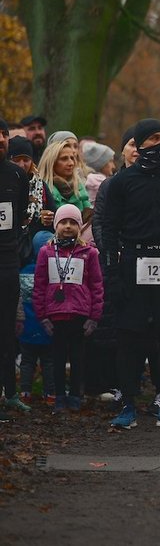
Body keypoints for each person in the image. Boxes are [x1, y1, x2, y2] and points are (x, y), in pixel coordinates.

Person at [102, 118, 160, 429]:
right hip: (132, 263)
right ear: (139, 144)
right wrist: (114, 275)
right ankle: (128, 404)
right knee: (130, 337)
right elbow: (110, 231)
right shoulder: (120, 183)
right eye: (154, 139)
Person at [33, 204, 104, 412]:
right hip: (55, 317)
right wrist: (43, 317)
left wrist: (94, 317)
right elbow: (39, 285)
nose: (67, 226)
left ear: (79, 226)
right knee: (57, 358)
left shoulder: (89, 253)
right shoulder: (46, 252)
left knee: (77, 358)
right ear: (56, 225)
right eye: (63, 222)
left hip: (80, 316)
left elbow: (97, 286)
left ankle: (75, 395)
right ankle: (59, 397)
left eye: (73, 222)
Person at [1, 118, 31, 419]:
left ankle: (10, 393)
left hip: (8, 262)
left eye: (3, 134)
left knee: (7, 330)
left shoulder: (16, 176)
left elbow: (20, 213)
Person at [8, 136, 55, 256]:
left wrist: (46, 219)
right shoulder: (4, 183)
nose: (22, 165)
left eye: (26, 160)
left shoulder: (40, 185)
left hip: (33, 243)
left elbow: (54, 216)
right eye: (16, 160)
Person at [37, 139, 92, 224]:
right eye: (64, 159)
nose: (71, 163)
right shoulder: (40, 189)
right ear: (52, 162)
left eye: (72, 158)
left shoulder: (80, 187)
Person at [82, 142, 115, 207]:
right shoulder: (97, 181)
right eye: (110, 161)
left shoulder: (89, 178)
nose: (114, 166)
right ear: (101, 164)